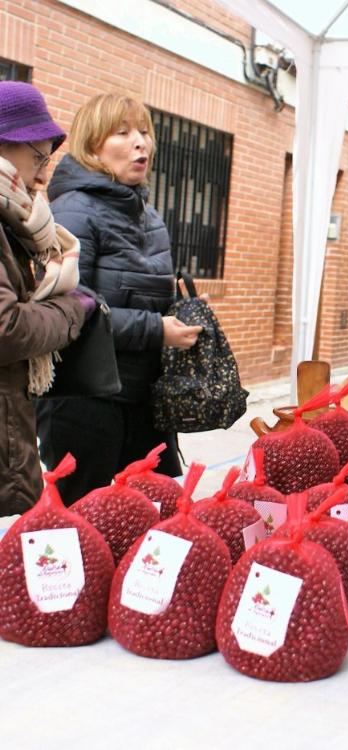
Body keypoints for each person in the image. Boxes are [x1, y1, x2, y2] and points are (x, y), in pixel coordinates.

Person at [36, 93, 202, 505]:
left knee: (152, 512)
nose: (140, 142)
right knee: (84, 518)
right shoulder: (74, 209)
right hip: (85, 398)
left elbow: (150, 296)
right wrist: (155, 330)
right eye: (122, 133)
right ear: (93, 146)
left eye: (144, 132)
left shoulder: (150, 216)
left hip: (143, 395)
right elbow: (72, 304)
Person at [0, 82, 91, 515]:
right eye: (37, 157)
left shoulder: (15, 218)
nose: (42, 175)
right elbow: (5, 328)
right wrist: (71, 309)